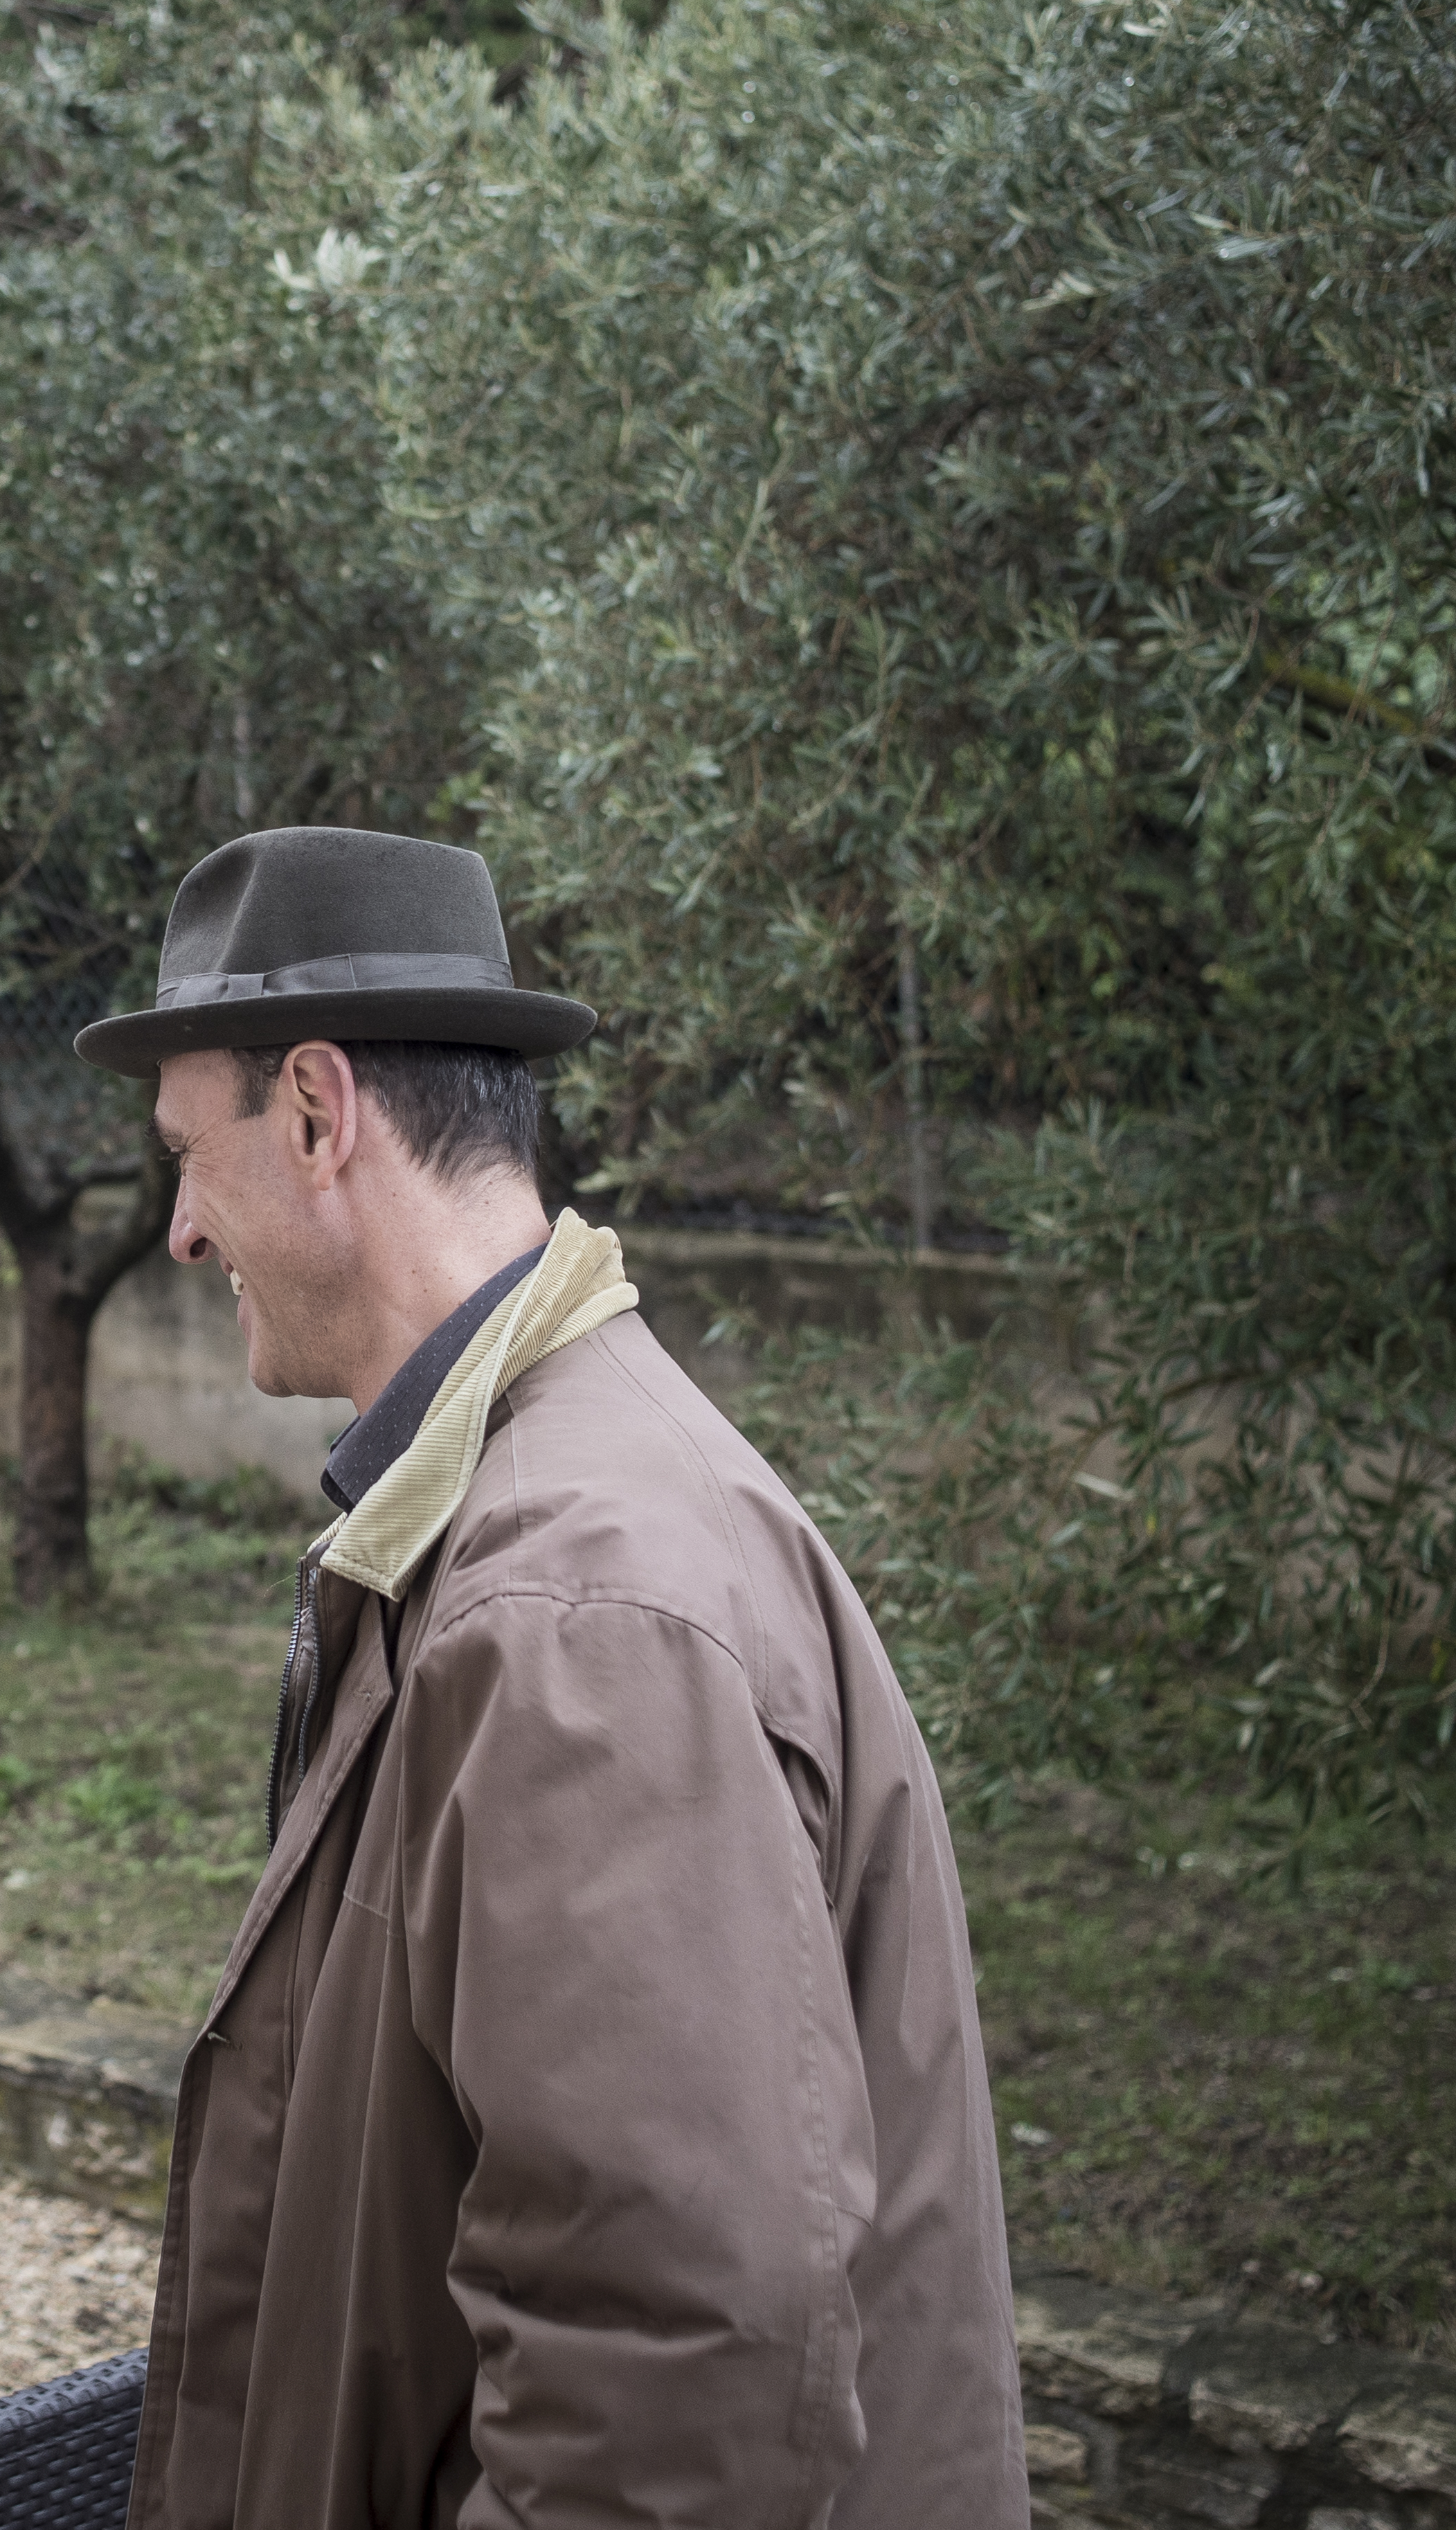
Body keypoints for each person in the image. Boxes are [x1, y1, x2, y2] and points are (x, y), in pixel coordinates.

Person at [75, 829, 1027, 2529]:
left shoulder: (573, 1607)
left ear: (313, 1111)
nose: (181, 1237)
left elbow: (670, 2379)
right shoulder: (534, 1506)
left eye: (185, 1159)